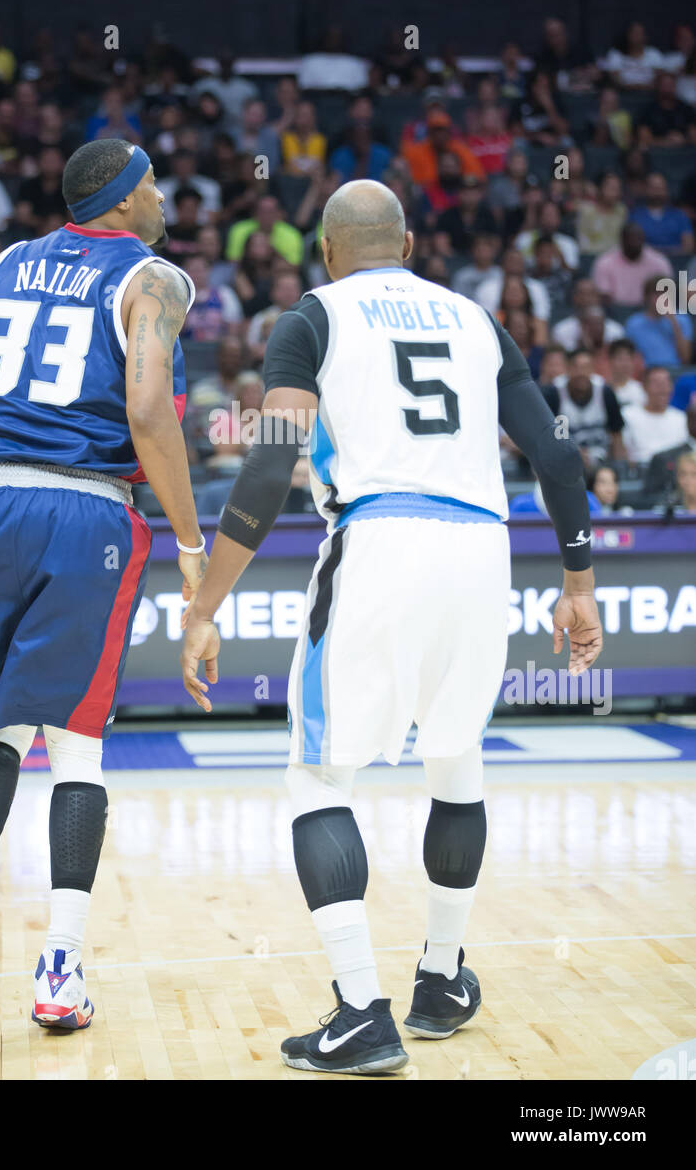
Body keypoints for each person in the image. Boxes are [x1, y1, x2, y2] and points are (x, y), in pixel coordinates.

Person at [180, 178, 602, 1075]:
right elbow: (559, 456)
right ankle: (442, 981)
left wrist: (205, 603)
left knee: (317, 775)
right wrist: (579, 582)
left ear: (327, 252)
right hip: (485, 549)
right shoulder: (477, 320)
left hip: (379, 535)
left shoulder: (313, 316)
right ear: (407, 246)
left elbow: (267, 470)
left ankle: (361, 1013)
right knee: (458, 763)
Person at [0, 139, 205, 1030]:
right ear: (124, 201)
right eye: (154, 182)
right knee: (78, 748)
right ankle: (60, 970)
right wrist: (191, 536)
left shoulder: (7, 261)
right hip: (82, 510)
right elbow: (146, 408)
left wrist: (14, 437)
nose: (163, 195)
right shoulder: (154, 279)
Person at [543, 349, 626, 466]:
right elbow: (545, 438)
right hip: (564, 462)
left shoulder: (605, 392)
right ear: (567, 369)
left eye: (586, 367)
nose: (581, 373)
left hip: (602, 461)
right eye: (576, 367)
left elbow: (617, 434)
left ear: (593, 370)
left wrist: (620, 465)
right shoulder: (553, 394)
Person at [622, 366, 689, 464]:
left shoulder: (680, 417)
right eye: (657, 383)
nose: (663, 389)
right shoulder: (628, 415)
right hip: (641, 471)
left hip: (674, 472)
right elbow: (623, 455)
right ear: (644, 387)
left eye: (666, 383)